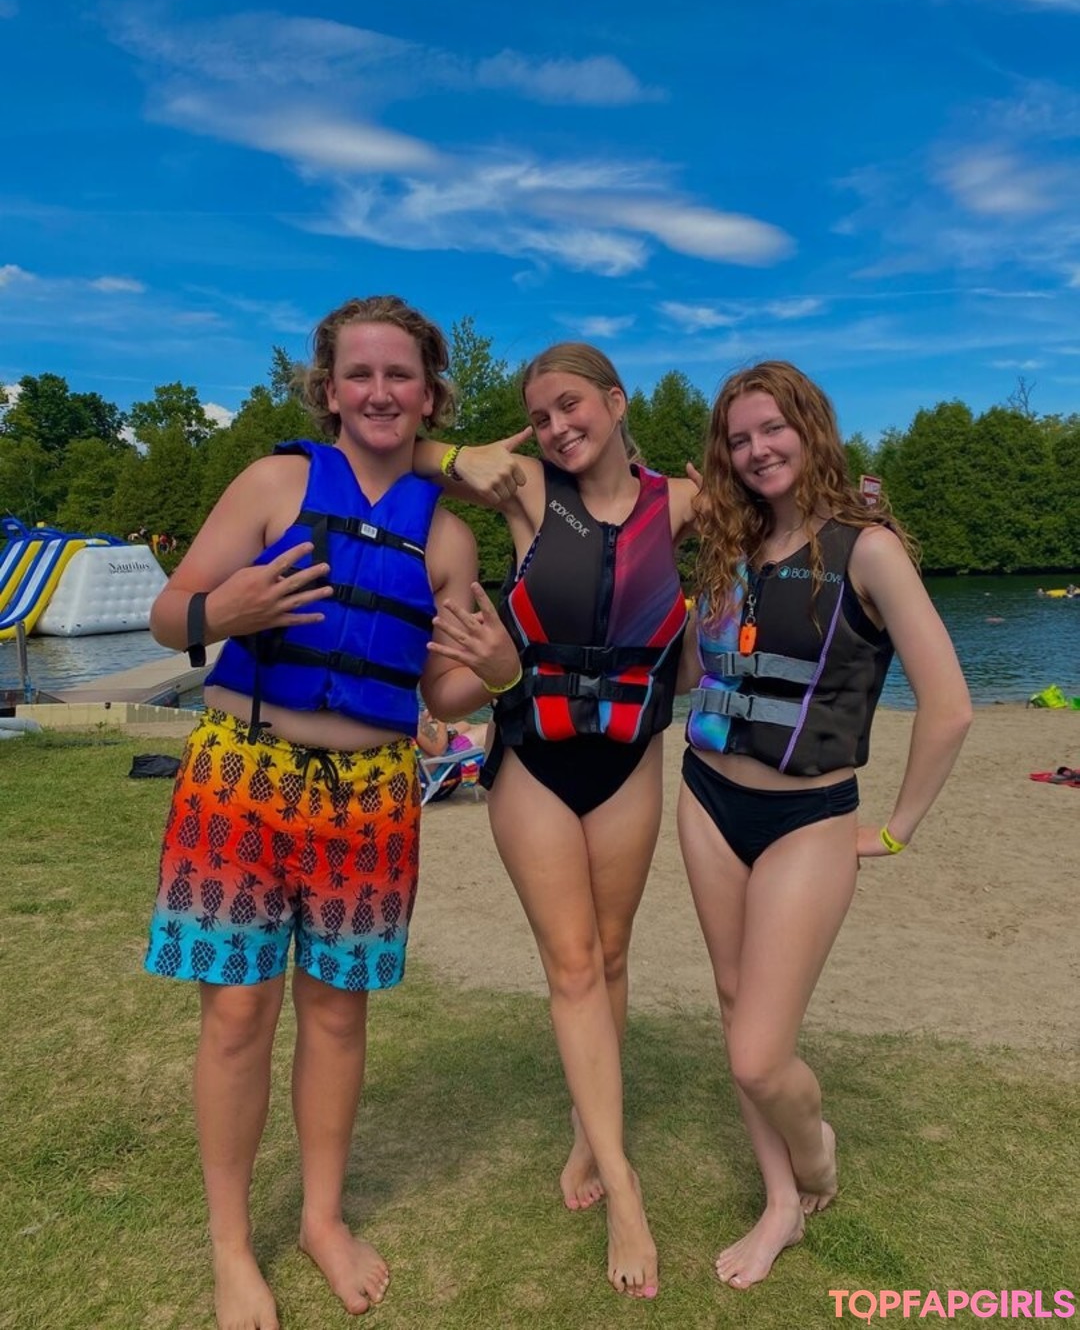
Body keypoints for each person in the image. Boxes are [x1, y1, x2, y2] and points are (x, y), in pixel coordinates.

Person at [144, 295, 520, 1330]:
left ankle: (320, 1217)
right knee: (236, 1013)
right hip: (242, 773)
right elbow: (169, 610)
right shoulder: (274, 484)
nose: (380, 391)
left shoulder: (449, 540)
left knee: (339, 1013)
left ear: (432, 395)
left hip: (372, 794)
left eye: (401, 374)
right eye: (361, 372)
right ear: (329, 390)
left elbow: (441, 692)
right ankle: (232, 1246)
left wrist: (497, 673)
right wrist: (222, 612)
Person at [677, 361, 972, 1290]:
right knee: (734, 1004)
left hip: (808, 813)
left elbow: (951, 707)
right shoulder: (732, 547)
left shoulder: (869, 550)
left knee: (760, 1056)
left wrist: (895, 829)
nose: (756, 449)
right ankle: (780, 1204)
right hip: (705, 797)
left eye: (773, 428)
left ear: (811, 427)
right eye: (739, 438)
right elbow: (694, 671)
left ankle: (816, 1158)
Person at [420, 343, 698, 1299]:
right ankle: (623, 1184)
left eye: (571, 404)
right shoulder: (527, 489)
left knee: (612, 955)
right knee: (573, 963)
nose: (556, 427)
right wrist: (469, 453)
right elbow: (394, 448)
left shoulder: (682, 503)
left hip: (628, 759)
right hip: (533, 757)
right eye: (539, 416)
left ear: (617, 401)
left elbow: (787, 509)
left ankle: (591, 1126)